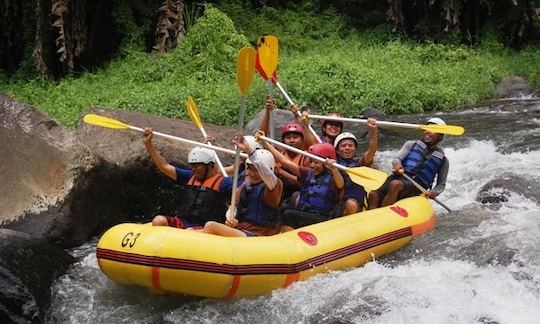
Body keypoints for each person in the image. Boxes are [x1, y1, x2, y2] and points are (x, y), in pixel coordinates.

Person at [143, 127, 232, 229]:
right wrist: (148, 144)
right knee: (159, 220)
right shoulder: (189, 177)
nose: (194, 169)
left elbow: (240, 197)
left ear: (210, 165)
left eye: (197, 165)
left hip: (205, 228)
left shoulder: (225, 183)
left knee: (191, 230)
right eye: (192, 165)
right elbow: (164, 166)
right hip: (184, 222)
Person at [258, 134, 344, 231]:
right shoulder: (308, 173)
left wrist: (334, 169)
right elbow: (285, 162)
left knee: (289, 214)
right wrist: (265, 144)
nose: (312, 165)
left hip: (323, 218)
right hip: (306, 214)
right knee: (282, 209)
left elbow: (340, 185)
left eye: (316, 162)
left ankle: (287, 241)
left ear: (326, 163)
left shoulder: (334, 177)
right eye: (311, 161)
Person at [203, 137, 283, 237]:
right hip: (242, 230)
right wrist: (231, 218)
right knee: (197, 231)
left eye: (256, 170)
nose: (252, 173)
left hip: (260, 235)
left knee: (210, 226)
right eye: (249, 169)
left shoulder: (274, 184)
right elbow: (233, 206)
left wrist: (250, 152)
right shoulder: (245, 186)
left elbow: (265, 172)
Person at [367, 117, 449, 209]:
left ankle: (382, 214)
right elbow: (397, 159)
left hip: (417, 185)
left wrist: (434, 192)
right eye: (426, 129)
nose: (428, 132)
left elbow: (441, 184)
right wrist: (397, 164)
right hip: (401, 176)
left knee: (395, 185)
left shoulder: (443, 160)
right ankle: (370, 217)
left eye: (433, 130)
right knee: (373, 195)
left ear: (440, 136)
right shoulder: (411, 144)